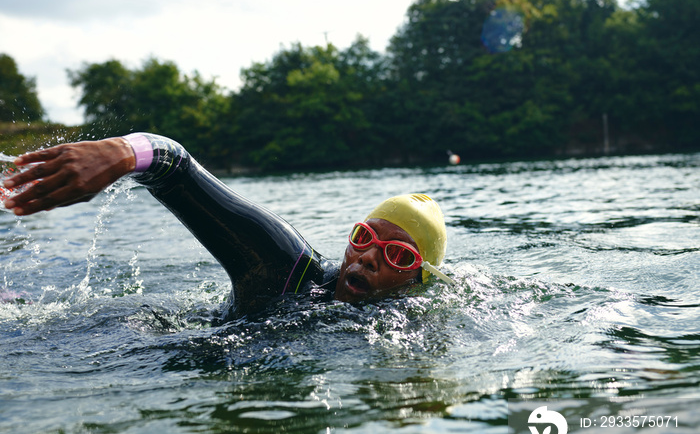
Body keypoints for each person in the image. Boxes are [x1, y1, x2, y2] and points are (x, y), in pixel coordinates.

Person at [2, 133, 452, 320]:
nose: (369, 256)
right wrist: (119, 152)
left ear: (419, 279)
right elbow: (175, 165)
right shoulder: (288, 268)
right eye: (364, 237)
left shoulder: (419, 326)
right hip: (136, 341)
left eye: (397, 255)